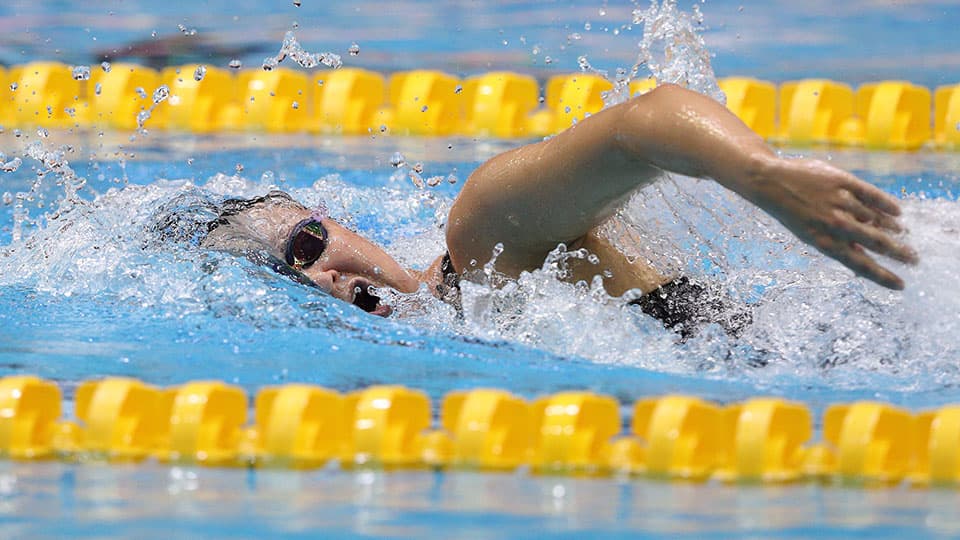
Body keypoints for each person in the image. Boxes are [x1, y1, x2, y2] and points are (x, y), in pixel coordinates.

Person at [202, 83, 917, 334]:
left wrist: (761, 175)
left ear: (335, 218)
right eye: (290, 282)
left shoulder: (481, 237)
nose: (322, 276)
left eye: (307, 246)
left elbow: (647, 122)